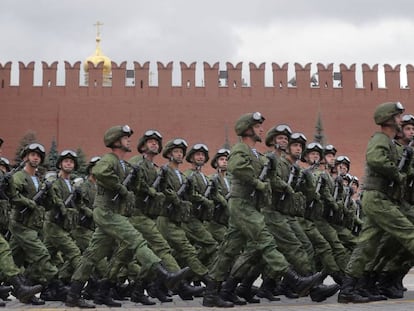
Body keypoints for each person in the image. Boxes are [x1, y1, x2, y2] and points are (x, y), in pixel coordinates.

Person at [202, 112, 322, 308]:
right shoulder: (241, 148)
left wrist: (278, 185)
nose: (261, 129)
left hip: (249, 204)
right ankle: (294, 280)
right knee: (266, 241)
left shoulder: (256, 153)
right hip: (242, 203)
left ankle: (212, 294)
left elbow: (269, 176)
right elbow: (236, 167)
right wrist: (257, 182)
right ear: (248, 130)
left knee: (229, 250)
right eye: (257, 126)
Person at [65, 125, 190, 308]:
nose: (129, 141)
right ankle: (164, 274)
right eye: (125, 138)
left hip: (114, 212)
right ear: (116, 141)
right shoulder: (109, 159)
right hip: (107, 211)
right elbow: (99, 172)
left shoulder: (125, 164)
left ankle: (77, 295)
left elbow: (137, 186)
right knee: (137, 240)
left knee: (92, 255)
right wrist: (119, 187)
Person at [337, 101, 414, 303]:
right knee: (409, 232)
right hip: (378, 197)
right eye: (397, 117)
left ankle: (350, 288)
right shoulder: (380, 139)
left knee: (367, 245)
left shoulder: (389, 142)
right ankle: (354, 287)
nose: (400, 120)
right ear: (388, 119)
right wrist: (397, 173)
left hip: (381, 197)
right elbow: (375, 159)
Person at [128, 130, 203, 302]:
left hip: (151, 215)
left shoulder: (155, 169)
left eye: (156, 142)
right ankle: (181, 285)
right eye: (150, 142)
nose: (154, 144)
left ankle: (138, 291)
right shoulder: (136, 163)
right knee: (161, 248)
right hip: (137, 215)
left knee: (147, 255)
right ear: (143, 145)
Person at [8, 143, 64, 305]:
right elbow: (13, 196)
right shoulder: (19, 176)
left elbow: (46, 206)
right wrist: (29, 203)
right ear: (26, 157)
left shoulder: (39, 180)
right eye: (32, 154)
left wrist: (48, 193)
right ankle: (57, 284)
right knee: (41, 254)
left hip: (34, 226)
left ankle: (25, 290)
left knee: (12, 260)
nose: (35, 158)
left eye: (38, 156)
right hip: (21, 225)